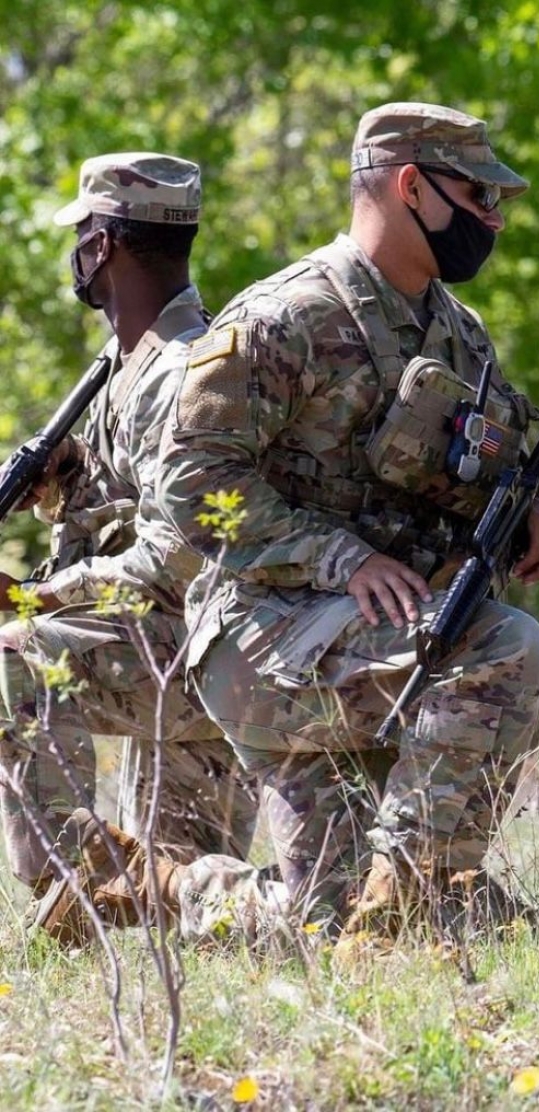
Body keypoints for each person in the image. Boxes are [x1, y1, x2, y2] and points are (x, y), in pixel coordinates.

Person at [35, 103, 539, 947]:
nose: (493, 219)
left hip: (364, 644)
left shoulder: (460, 337)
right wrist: (339, 557)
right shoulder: (288, 318)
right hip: (263, 641)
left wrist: (534, 509)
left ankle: (166, 884)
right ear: (410, 186)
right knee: (510, 647)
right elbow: (192, 479)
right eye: (478, 195)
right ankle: (419, 897)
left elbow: (469, 463)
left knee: (317, 919)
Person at [0, 153, 257, 924]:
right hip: (186, 648)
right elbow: (140, 508)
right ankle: (116, 883)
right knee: (170, 901)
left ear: (103, 245)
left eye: (82, 233)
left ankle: (80, 862)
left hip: (198, 647)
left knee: (14, 657)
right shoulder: (132, 361)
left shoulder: (180, 371)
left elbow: (177, 554)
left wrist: (35, 595)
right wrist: (71, 487)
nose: (76, 251)